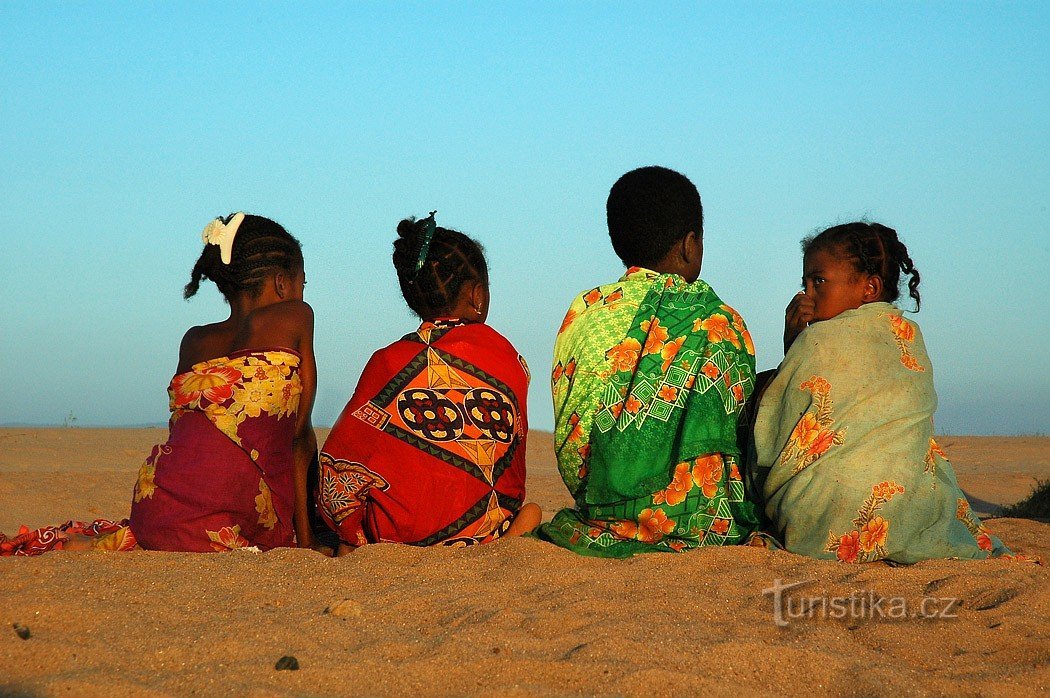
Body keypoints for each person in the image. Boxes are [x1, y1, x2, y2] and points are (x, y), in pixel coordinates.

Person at [1, 213, 318, 554]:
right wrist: (308, 541)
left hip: (156, 505)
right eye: (302, 282)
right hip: (226, 514)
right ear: (283, 283)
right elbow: (298, 437)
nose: (302, 291)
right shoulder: (295, 315)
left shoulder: (194, 340)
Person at [749, 221, 1011, 563]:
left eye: (819, 282)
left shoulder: (817, 340)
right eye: (805, 283)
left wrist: (793, 343)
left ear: (870, 287)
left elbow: (778, 424)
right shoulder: (908, 334)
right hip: (911, 506)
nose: (806, 295)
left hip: (823, 512)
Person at [536, 166, 760, 557]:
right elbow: (739, 433)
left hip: (599, 515)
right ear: (690, 245)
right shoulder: (721, 322)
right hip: (704, 529)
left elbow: (574, 434)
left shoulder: (586, 310)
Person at [318, 214, 539, 555]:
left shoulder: (387, 362)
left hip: (401, 542)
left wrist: (350, 534)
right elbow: (513, 462)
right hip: (488, 535)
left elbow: (340, 464)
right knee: (532, 514)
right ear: (477, 296)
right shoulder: (508, 357)